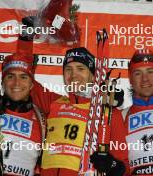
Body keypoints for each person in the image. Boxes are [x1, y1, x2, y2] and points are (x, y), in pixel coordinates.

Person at [30, 47, 125, 176]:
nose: (73, 75)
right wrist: (26, 37)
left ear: (93, 76)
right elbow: (24, 80)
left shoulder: (107, 112)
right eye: (68, 69)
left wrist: (112, 165)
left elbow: (123, 165)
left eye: (80, 69)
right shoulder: (54, 102)